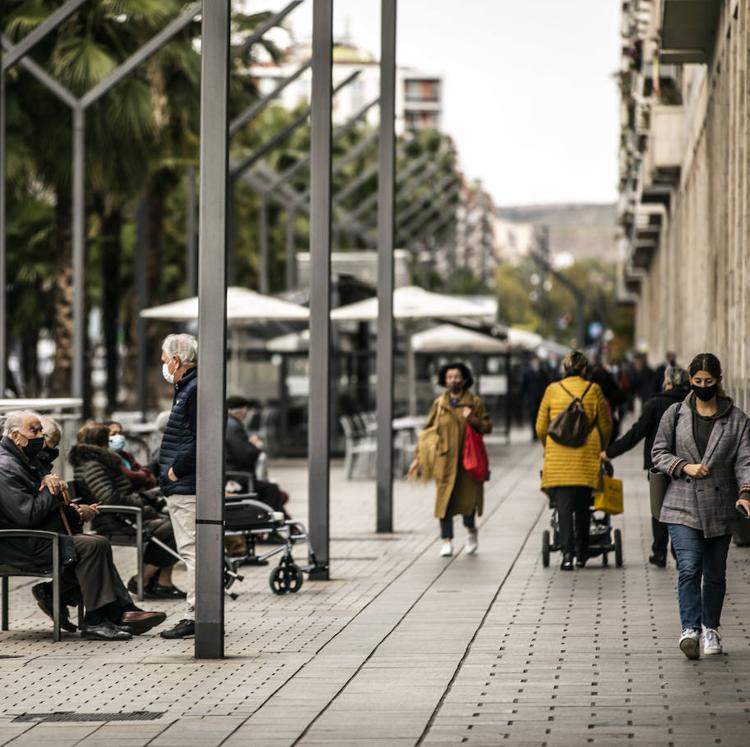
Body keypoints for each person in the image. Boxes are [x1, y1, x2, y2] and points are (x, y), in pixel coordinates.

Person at [0, 411, 165, 640]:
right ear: (16, 436)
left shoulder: (24, 460)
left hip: (41, 536)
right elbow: (27, 515)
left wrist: (74, 512)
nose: (39, 436)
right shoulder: (6, 467)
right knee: (92, 546)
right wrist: (51, 487)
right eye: (34, 431)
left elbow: (48, 505)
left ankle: (113, 614)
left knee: (97, 543)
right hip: (22, 544)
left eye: (41, 431)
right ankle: (98, 620)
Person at [652, 353, 750, 660]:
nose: (703, 387)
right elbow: (658, 453)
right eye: (697, 382)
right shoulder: (675, 414)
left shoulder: (737, 420)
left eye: (709, 382)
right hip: (681, 504)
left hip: (720, 507)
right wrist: (684, 466)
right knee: (690, 567)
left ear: (719, 381)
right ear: (690, 382)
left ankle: (711, 628)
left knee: (716, 573)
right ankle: (690, 629)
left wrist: (746, 492)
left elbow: (745, 462)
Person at [70, 423, 183, 600]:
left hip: (124, 515)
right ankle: (142, 579)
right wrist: (140, 501)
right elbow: (108, 498)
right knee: (175, 527)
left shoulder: (100, 461)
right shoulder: (93, 465)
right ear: (100, 441)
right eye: (108, 438)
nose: (113, 440)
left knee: (174, 524)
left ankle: (162, 583)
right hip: (116, 519)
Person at [601, 366, 690, 567]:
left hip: (658, 466)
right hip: (685, 466)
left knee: (659, 509)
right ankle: (680, 553)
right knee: (683, 511)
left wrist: (610, 452)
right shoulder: (691, 403)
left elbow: (636, 433)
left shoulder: (655, 404)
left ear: (667, 382)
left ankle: (659, 552)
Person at [536, 350, 612, 571]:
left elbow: (541, 427)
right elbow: (605, 425)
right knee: (582, 507)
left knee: (563, 507)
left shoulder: (552, 390)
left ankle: (567, 555)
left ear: (564, 368)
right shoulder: (594, 390)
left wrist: (548, 445)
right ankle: (581, 553)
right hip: (586, 458)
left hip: (558, 458)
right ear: (585, 369)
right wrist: (602, 446)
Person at [409, 362, 492, 558]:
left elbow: (487, 426)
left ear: (464, 380)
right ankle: (447, 540)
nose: (453, 380)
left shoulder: (474, 402)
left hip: (466, 463)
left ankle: (471, 531)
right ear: (444, 381)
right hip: (444, 462)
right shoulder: (439, 404)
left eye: (456, 377)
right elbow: (427, 432)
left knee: (468, 504)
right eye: (449, 377)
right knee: (444, 503)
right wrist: (418, 458)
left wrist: (472, 419)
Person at [158, 333, 199, 639]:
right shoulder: (188, 388)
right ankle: (200, 612)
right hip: (185, 483)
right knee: (194, 550)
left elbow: (201, 441)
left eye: (164, 356)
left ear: (177, 360)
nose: (162, 362)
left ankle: (196, 614)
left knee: (192, 551)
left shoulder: (193, 390)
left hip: (187, 486)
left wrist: (174, 472)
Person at [225, 396, 289, 516]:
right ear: (243, 410)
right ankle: (269, 521)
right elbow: (245, 456)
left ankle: (281, 520)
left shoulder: (228, 424)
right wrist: (255, 446)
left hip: (232, 476)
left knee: (272, 489)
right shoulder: (234, 427)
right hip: (237, 479)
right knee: (271, 489)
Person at [106, 421, 158, 491]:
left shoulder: (127, 456)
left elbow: (148, 474)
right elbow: (132, 477)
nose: (119, 437)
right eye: (113, 434)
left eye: (120, 433)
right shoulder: (107, 458)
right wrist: (144, 475)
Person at [520, 357, 549, 442]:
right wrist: (525, 396)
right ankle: (534, 434)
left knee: (541, 416)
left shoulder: (543, 372)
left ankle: (540, 433)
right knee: (533, 416)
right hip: (532, 398)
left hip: (541, 398)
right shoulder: (527, 373)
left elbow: (547, 383)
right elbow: (524, 386)